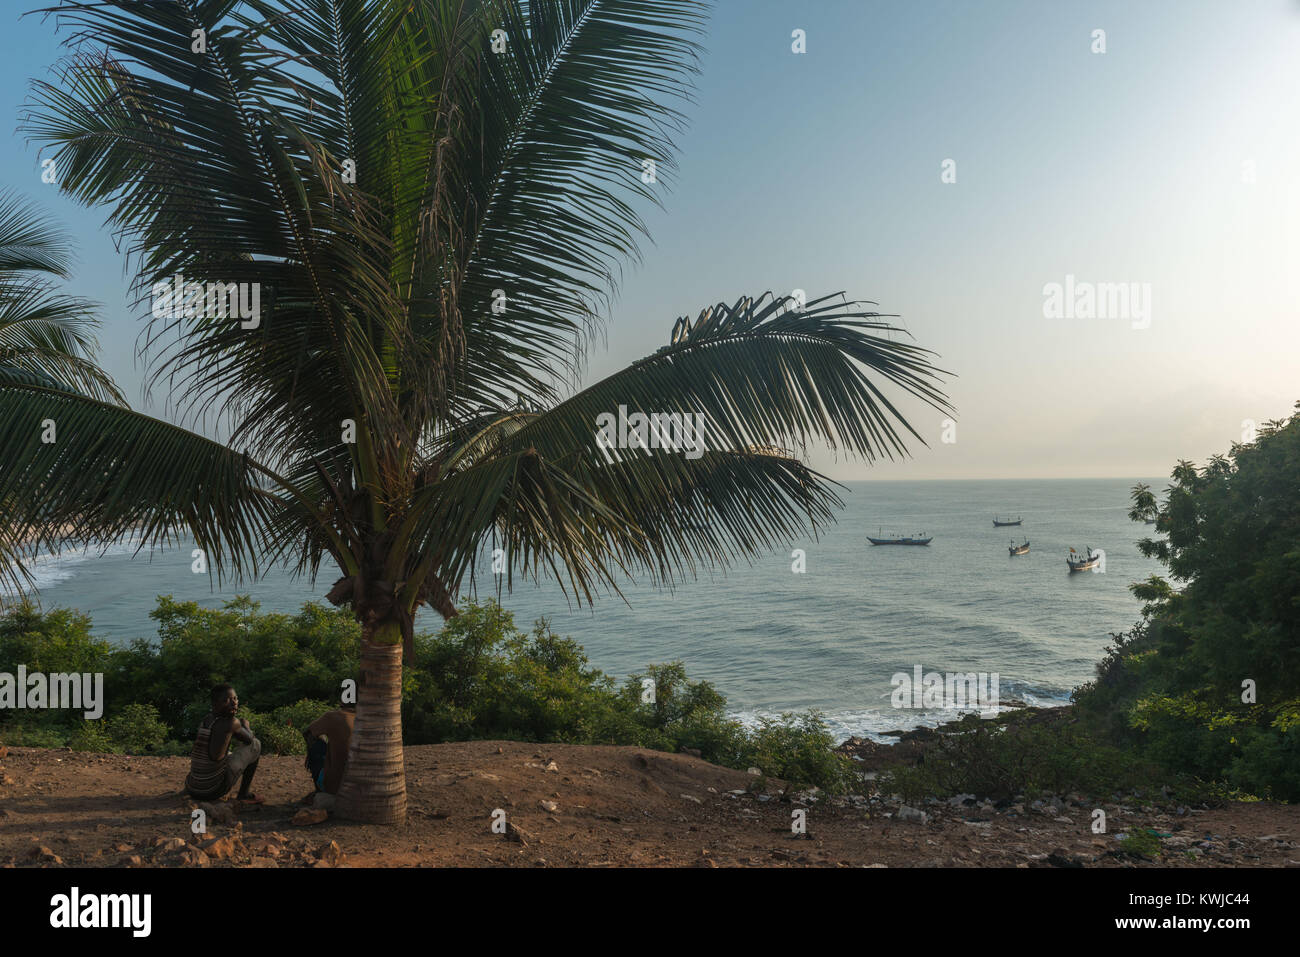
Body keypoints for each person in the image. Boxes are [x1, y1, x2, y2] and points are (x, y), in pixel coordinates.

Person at [184, 683, 262, 804]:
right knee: (256, 745)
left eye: (235, 698)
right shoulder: (231, 722)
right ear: (214, 704)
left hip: (192, 788)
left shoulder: (207, 719)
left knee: (223, 755)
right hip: (212, 791)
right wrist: (246, 725)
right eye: (226, 700)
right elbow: (249, 739)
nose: (233, 703)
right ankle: (244, 794)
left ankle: (201, 782)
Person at [303, 702, 355, 798]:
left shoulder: (332, 716)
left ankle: (319, 790)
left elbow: (307, 733)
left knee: (315, 744)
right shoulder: (372, 718)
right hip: (364, 787)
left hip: (335, 788)